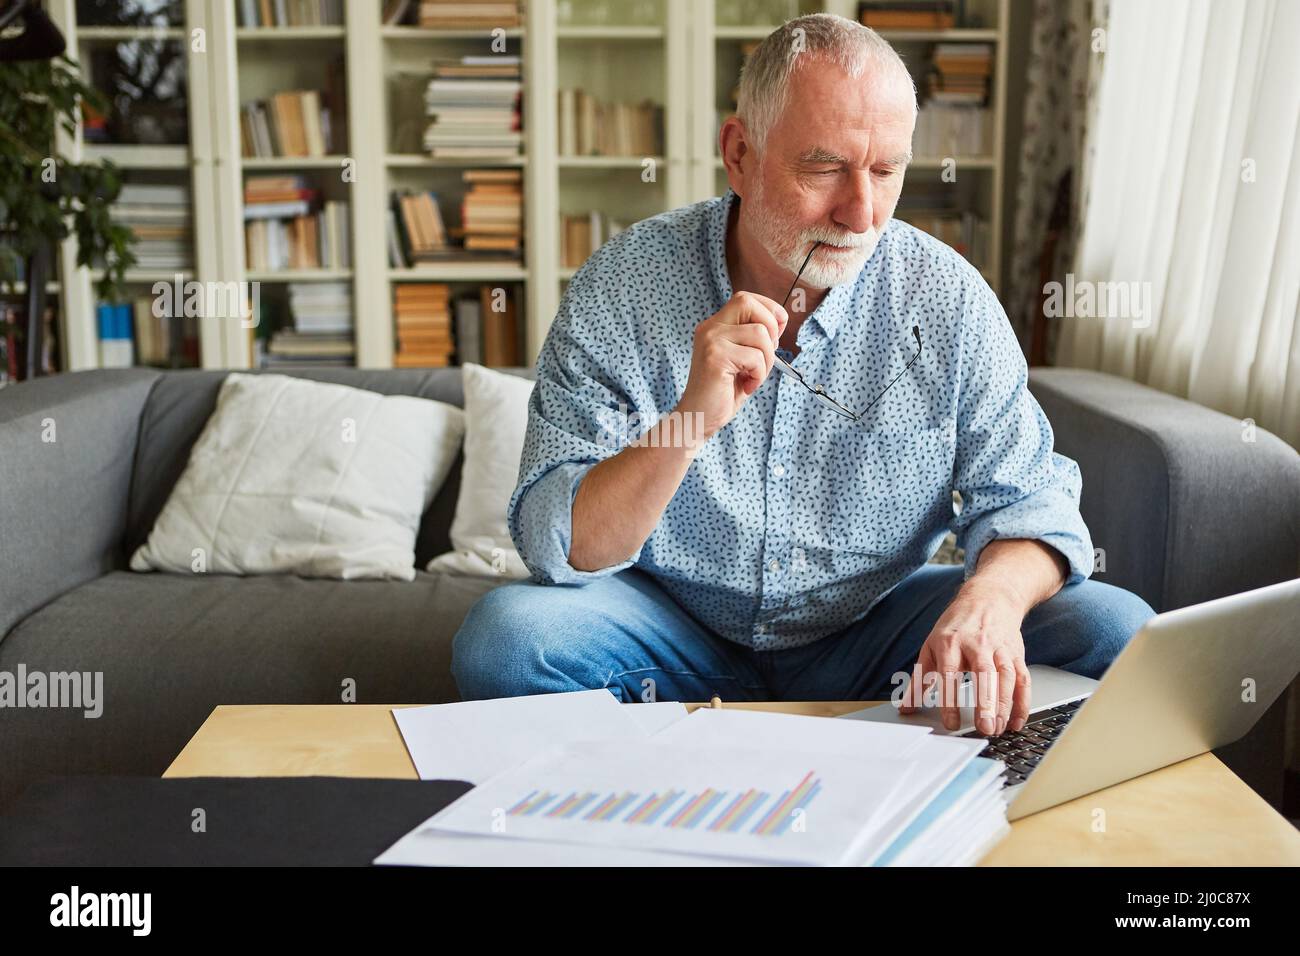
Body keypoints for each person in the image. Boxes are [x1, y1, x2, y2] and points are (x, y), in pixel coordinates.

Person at [452, 13, 1154, 736]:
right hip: (670, 631)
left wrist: (992, 601)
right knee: (507, 641)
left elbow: (1030, 500)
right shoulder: (625, 284)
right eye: (824, 167)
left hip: (875, 633)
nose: (860, 212)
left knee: (1116, 629)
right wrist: (692, 419)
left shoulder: (947, 298)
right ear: (740, 152)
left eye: (886, 171)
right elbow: (557, 547)